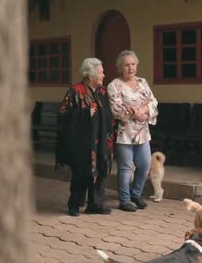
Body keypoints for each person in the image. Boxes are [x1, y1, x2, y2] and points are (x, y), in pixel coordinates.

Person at [56, 58, 116, 217]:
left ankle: (95, 204)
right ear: (90, 75)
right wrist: (83, 113)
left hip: (101, 141)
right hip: (82, 143)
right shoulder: (76, 91)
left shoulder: (101, 91)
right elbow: (63, 115)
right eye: (101, 72)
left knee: (100, 171)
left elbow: (108, 114)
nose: (104, 75)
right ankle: (74, 204)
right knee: (81, 173)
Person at [107, 50, 158, 212]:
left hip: (143, 131)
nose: (131, 68)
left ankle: (135, 194)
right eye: (126, 65)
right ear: (120, 68)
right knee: (126, 167)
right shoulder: (114, 85)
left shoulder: (143, 82)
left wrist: (143, 110)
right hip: (124, 132)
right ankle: (124, 200)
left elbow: (153, 102)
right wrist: (135, 113)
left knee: (144, 165)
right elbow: (116, 108)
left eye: (133, 64)